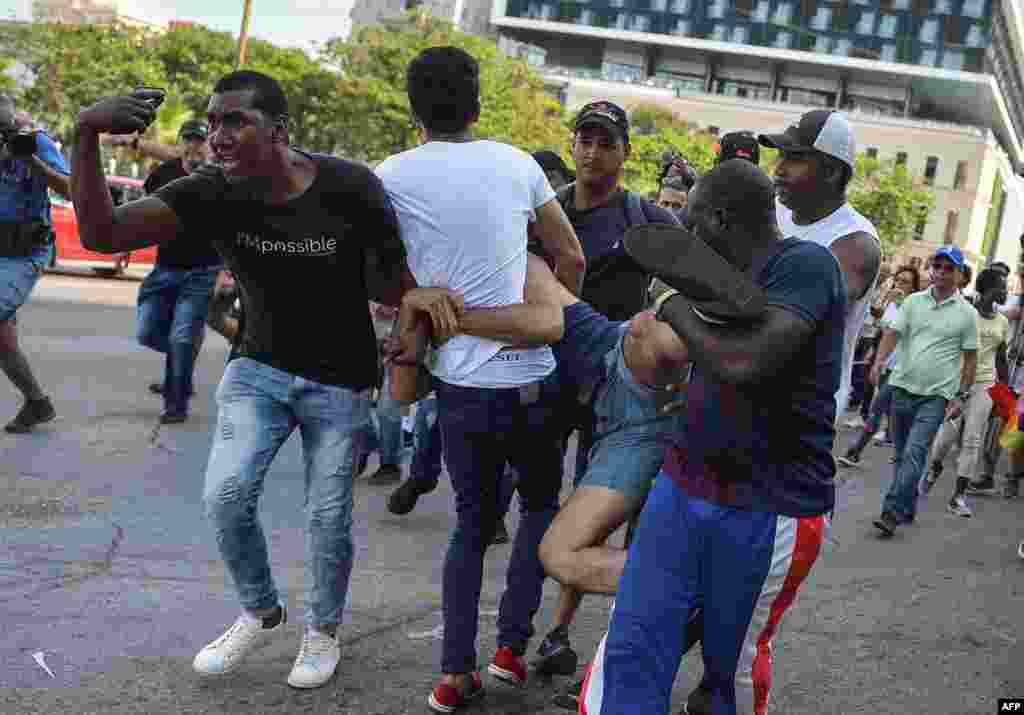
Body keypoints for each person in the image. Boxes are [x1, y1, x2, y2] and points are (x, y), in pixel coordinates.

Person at [72, 71, 413, 689]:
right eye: (214, 121)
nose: (219, 136)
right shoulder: (210, 191)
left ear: (280, 130)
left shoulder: (350, 185)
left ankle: (321, 631)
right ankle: (261, 610)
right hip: (258, 368)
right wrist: (86, 131)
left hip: (341, 379)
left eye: (236, 121)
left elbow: (396, 282)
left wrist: (413, 318)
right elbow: (101, 234)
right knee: (226, 497)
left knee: (329, 514)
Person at [581, 159, 846, 715]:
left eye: (694, 226)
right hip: (683, 488)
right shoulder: (716, 282)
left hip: (769, 506)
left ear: (721, 220)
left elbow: (746, 362)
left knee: (727, 676)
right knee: (632, 643)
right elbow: (693, 354)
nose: (689, 242)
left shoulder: (806, 265)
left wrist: (670, 304)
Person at [374, 46, 585, 713]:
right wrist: (549, 311)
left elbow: (381, 278)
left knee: (470, 524)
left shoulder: (390, 176)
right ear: (476, 104)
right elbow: (569, 253)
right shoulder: (517, 162)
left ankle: (454, 672)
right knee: (539, 513)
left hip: (462, 390)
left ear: (414, 109)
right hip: (536, 380)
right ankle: (509, 651)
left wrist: (422, 300)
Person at [531, 99, 679, 682]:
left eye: (606, 141)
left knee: (609, 517)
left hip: (623, 390)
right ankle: (538, 637)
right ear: (572, 144)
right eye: (584, 139)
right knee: (550, 511)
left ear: (625, 151)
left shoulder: (648, 220)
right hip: (548, 377)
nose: (593, 151)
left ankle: (583, 642)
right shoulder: (544, 214)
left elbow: (692, 276)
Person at [759, 109, 882, 417]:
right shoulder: (770, 210)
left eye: (795, 158)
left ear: (832, 172)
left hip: (803, 408)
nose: (779, 169)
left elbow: (789, 320)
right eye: (781, 157)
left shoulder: (856, 243)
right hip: (748, 385)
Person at [870, 246, 979, 537]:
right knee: (903, 453)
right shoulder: (914, 302)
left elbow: (970, 359)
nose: (941, 272)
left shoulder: (967, 314)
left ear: (959, 274)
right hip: (902, 387)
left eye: (948, 268)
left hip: (936, 396)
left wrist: (961, 395)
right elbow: (892, 333)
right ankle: (908, 503)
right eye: (938, 266)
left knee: (914, 453)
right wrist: (879, 362)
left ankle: (891, 512)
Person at [135, 119, 222, 423]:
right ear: (182, 142)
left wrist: (228, 271)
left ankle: (176, 404)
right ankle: (180, 367)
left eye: (199, 140)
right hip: (165, 268)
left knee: (182, 337)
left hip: (202, 271)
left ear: (208, 144)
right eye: (189, 139)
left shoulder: (217, 178)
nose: (193, 145)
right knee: (146, 332)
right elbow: (144, 209)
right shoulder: (164, 174)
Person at [0, 95, 69, 433]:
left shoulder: (36, 143)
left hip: (24, 253)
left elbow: (71, 190)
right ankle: (37, 403)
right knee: (3, 339)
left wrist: (31, 161)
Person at [920, 267, 1009, 513]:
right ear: (989, 288)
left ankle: (958, 497)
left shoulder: (1002, 321)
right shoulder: (966, 313)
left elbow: (1000, 358)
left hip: (985, 386)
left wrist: (1005, 392)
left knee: (972, 440)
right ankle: (935, 466)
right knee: (945, 438)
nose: (1005, 291)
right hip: (958, 382)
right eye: (1002, 286)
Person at [837, 266, 921, 467]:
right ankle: (901, 453)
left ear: (914, 287)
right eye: (898, 280)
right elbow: (881, 326)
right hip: (886, 363)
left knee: (880, 407)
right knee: (892, 410)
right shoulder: (893, 303)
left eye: (905, 282)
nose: (900, 284)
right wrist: (875, 357)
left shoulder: (915, 305)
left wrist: (900, 304)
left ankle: (856, 451)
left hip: (904, 365)